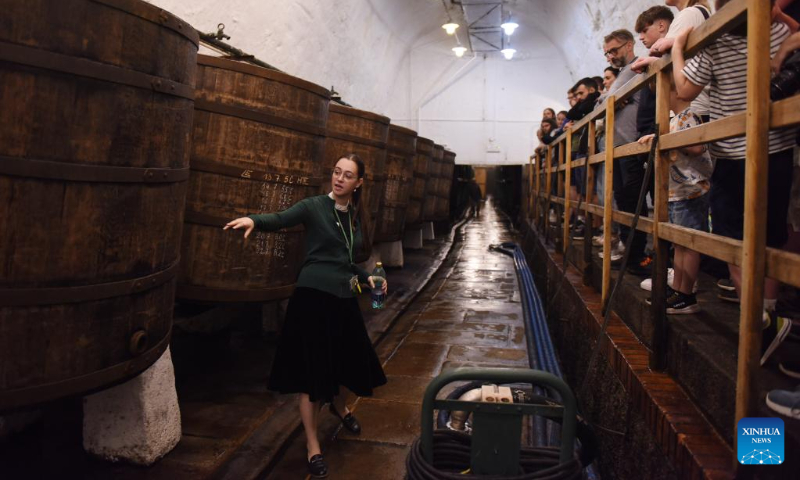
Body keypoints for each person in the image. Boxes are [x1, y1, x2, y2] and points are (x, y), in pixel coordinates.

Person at [224, 154, 388, 478]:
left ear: (359, 183)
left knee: (352, 363)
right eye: (336, 172)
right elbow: (281, 218)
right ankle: (313, 446)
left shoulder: (353, 216)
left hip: (343, 297)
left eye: (347, 175)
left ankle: (339, 407)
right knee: (311, 377)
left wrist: (365, 277)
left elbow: (343, 261)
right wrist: (254, 221)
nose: (339, 178)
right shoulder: (314, 206)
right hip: (312, 298)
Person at [673, 0, 794, 365]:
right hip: (778, 145)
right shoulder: (779, 31)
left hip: (734, 149)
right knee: (770, 232)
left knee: (733, 236)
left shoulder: (715, 40)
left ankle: (756, 322)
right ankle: (768, 315)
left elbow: (684, 89)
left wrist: (678, 48)